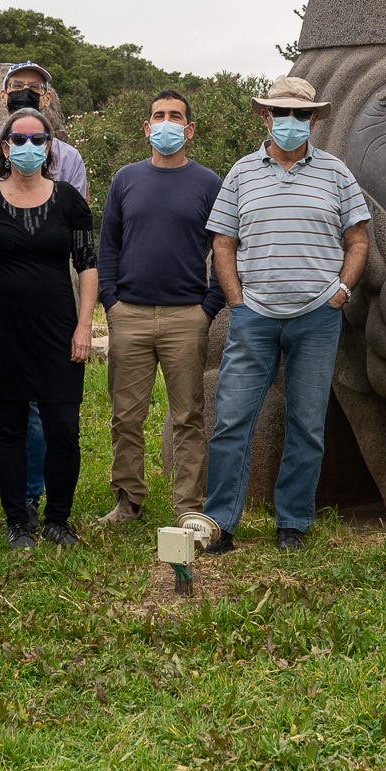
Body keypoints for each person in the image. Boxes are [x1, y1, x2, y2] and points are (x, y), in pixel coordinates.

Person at [201, 76, 369, 553]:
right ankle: (220, 523)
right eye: (281, 113)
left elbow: (358, 240)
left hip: (318, 316)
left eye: (300, 115)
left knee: (306, 423)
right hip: (253, 316)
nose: (290, 122)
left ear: (314, 120)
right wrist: (236, 299)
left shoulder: (336, 173)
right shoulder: (240, 173)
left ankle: (292, 522)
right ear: (265, 116)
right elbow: (223, 242)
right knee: (232, 419)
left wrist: (340, 291)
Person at [0, 61, 87, 523]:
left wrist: (84, 323)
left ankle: (35, 500)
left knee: (47, 419)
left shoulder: (70, 174)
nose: (27, 147)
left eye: (35, 88)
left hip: (52, 316)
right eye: (17, 87)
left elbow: (81, 252)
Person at [0, 107, 100, 548]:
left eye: (38, 140)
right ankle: (16, 522)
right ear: (5, 147)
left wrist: (84, 326)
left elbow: (87, 266)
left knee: (63, 428)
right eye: (19, 140)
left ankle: (58, 519)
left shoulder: (69, 199)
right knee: (7, 429)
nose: (29, 147)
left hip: (58, 329)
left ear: (49, 147)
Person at [95, 88, 222, 524]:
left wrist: (209, 306)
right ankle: (128, 502)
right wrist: (110, 301)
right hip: (128, 313)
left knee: (188, 417)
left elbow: (224, 249)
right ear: (147, 127)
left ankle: (188, 506)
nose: (166, 123)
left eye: (175, 116)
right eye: (158, 116)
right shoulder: (126, 179)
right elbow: (107, 244)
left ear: (189, 129)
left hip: (187, 316)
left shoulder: (209, 183)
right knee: (125, 416)